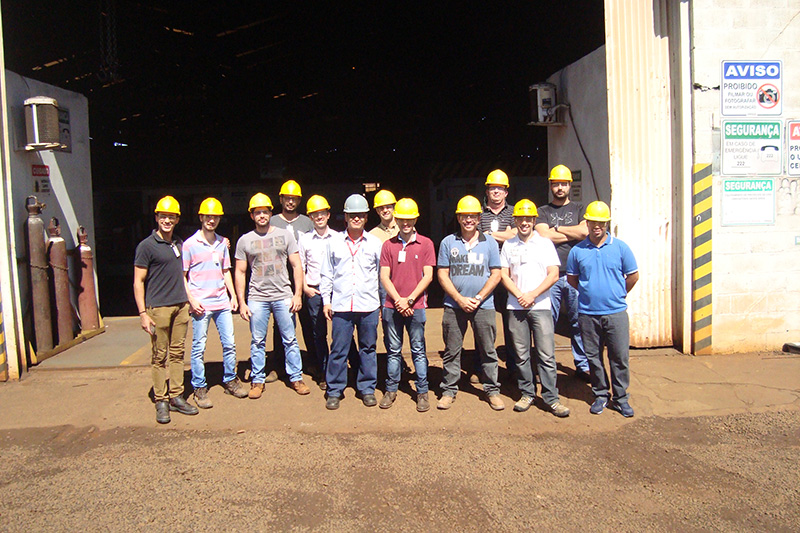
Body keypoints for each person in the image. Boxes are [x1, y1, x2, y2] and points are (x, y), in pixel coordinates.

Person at [234, 193, 310, 399]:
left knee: (290, 339)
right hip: (257, 298)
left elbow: (297, 265)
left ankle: (296, 377)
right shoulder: (245, 241)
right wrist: (242, 303)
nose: (261, 215)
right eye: (257, 212)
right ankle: (257, 381)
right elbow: (240, 272)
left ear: (270, 213)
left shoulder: (285, 236)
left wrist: (297, 294)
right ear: (252, 216)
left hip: (283, 295)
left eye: (264, 212)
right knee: (258, 340)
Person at [567, 201, 639, 417]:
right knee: (593, 357)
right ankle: (600, 394)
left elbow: (633, 276)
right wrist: (592, 294)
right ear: (586, 223)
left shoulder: (620, 248)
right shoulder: (577, 251)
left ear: (607, 223)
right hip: (588, 314)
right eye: (592, 222)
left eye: (601, 222)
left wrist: (617, 294)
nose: (596, 226)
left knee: (619, 357)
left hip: (615, 313)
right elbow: (572, 280)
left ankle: (620, 398)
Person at [500, 200, 570, 417]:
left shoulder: (545, 244)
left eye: (528, 219)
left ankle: (551, 398)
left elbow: (553, 274)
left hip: (540, 306)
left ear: (534, 221)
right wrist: (520, 295)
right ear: (516, 221)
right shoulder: (509, 245)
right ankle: (527, 393)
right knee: (521, 354)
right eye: (521, 219)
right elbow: (503, 274)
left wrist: (532, 294)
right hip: (516, 306)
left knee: (546, 354)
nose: (525, 222)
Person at [134, 195, 199, 424]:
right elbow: (138, 281)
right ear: (157, 217)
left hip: (181, 307)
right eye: (163, 216)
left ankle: (177, 396)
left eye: (171, 216)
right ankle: (161, 400)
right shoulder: (146, 246)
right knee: (159, 355)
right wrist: (143, 313)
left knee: (177, 353)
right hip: (158, 308)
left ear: (177, 219)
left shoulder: (179, 244)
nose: (167, 220)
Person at [437, 195, 504, 411]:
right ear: (458, 217)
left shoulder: (490, 243)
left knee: (487, 349)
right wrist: (459, 298)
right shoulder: (448, 242)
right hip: (454, 306)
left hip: (483, 305)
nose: (468, 220)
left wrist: (479, 297)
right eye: (464, 216)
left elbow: (496, 274)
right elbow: (442, 274)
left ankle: (492, 390)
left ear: (478, 218)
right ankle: (448, 390)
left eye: (473, 216)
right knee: (452, 350)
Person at [182, 197, 248, 409]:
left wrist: (234, 296)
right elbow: (182, 276)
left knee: (229, 343)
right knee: (198, 347)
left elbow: (225, 271)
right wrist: (191, 300)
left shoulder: (222, 243)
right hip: (201, 305)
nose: (211, 220)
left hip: (221, 303)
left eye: (215, 217)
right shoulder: (189, 245)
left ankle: (230, 379)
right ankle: (199, 387)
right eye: (208, 216)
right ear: (201, 217)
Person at [320, 194, 383, 410]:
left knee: (368, 348)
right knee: (338, 349)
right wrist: (326, 302)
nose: (356, 219)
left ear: (366, 217)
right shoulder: (333, 243)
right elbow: (327, 274)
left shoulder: (375, 244)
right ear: (345, 217)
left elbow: (380, 277)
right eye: (352, 215)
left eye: (360, 215)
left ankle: (366, 389)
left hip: (368, 305)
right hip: (341, 305)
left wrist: (382, 305)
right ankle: (335, 390)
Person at [378, 198, 436, 412]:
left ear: (415, 219)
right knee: (393, 351)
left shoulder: (426, 244)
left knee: (418, 350)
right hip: (393, 306)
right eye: (402, 219)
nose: (405, 223)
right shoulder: (388, 245)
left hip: (416, 305)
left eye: (409, 219)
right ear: (397, 219)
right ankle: (391, 389)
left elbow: (428, 276)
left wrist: (410, 299)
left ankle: (422, 392)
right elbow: (385, 276)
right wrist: (399, 301)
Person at [534, 164, 591, 381]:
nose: (559, 187)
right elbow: (543, 236)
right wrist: (571, 233)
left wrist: (555, 229)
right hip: (551, 275)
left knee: (579, 321)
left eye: (563, 184)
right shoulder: (542, 211)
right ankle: (545, 366)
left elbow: (584, 231)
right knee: (547, 322)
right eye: (556, 184)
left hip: (575, 275)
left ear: (569, 185)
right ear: (551, 186)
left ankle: (582, 365)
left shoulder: (579, 208)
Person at [270, 179, 315, 374]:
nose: (290, 202)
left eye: (294, 199)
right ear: (281, 199)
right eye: (287, 198)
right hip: (279, 279)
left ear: (299, 200)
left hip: (303, 277)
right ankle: (278, 365)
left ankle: (314, 362)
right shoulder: (272, 221)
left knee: (308, 321)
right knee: (279, 323)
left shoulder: (307, 222)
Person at [298, 194, 339, 390]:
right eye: (315, 214)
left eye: (322, 213)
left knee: (340, 334)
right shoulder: (305, 240)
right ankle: (324, 372)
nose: (319, 217)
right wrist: (305, 288)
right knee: (318, 334)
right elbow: (301, 267)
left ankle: (341, 370)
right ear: (310, 218)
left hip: (336, 293)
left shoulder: (339, 238)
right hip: (315, 293)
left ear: (328, 215)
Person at [478, 169, 516, 379]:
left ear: (506, 192)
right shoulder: (480, 214)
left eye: (500, 189)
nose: (496, 192)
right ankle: (482, 366)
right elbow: (475, 236)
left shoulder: (513, 212)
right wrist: (505, 234)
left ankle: (513, 364)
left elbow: (515, 234)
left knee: (511, 321)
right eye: (493, 188)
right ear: (487, 190)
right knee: (484, 322)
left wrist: (491, 235)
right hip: (485, 274)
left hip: (508, 273)